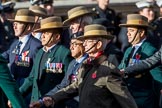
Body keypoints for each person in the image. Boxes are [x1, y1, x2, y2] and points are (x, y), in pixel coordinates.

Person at [29, 24, 138, 108]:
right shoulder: (85, 65)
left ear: (99, 44)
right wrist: (51, 99)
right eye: (84, 41)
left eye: (88, 41)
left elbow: (126, 100)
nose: (84, 44)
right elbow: (74, 86)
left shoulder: (108, 70)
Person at [19, 16, 73, 107]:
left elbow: (67, 82)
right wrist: (18, 94)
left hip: (53, 103)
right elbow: (31, 78)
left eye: (46, 33)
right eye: (42, 33)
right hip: (36, 102)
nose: (42, 36)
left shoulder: (64, 53)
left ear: (57, 36)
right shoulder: (40, 52)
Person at [118, 14, 161, 108]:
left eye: (131, 31)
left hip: (144, 102)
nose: (128, 34)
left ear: (141, 33)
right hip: (129, 99)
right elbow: (121, 68)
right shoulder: (129, 50)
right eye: (127, 31)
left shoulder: (149, 50)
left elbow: (158, 79)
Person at [2, 9, 42, 105]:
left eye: (18, 23)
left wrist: (19, 93)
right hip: (12, 91)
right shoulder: (15, 43)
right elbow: (3, 57)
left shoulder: (36, 46)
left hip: (26, 94)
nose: (14, 26)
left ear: (28, 27)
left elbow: (35, 75)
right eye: (14, 23)